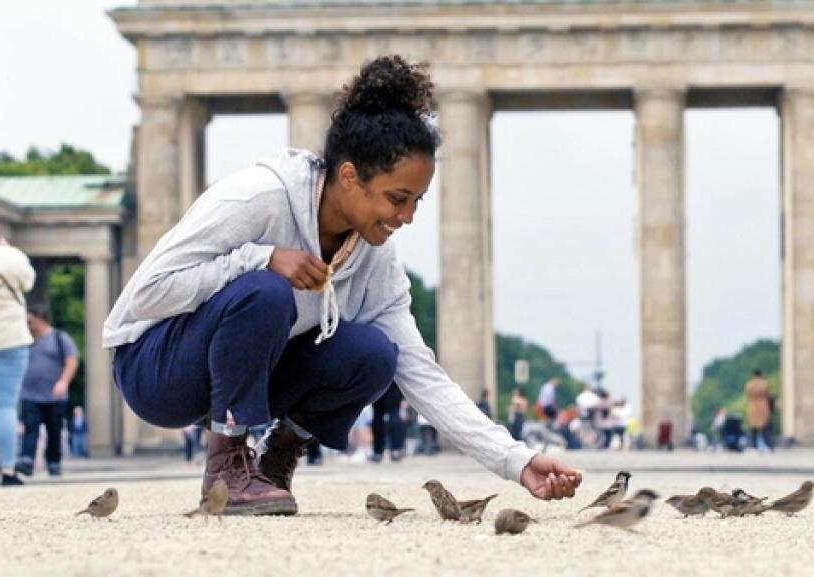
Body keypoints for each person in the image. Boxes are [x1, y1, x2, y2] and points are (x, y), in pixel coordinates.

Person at [102, 57, 581, 514]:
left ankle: (274, 458)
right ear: (350, 176)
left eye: (416, 201)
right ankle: (226, 465)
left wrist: (516, 460)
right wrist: (261, 257)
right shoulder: (258, 197)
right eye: (398, 198)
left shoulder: (375, 258)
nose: (407, 217)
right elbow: (145, 296)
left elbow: (420, 372)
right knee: (265, 292)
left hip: (240, 371)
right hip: (155, 370)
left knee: (375, 353)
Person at [0, 207, 35, 486]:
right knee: (5, 407)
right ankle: (8, 469)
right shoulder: (12, 257)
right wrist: (6, 248)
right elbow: (28, 282)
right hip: (10, 339)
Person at [16, 304, 79, 477]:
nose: (28, 325)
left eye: (31, 321)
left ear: (40, 319)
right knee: (30, 428)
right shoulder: (26, 340)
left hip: (54, 395)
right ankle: (27, 460)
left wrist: (63, 382)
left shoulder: (59, 338)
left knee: (54, 430)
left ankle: (53, 462)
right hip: (29, 394)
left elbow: (72, 360)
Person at [369, 382, 406, 463]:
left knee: (379, 416)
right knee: (393, 414)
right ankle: (395, 451)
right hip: (394, 382)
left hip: (378, 383)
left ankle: (378, 452)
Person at [744, 369, 771, 452]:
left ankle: (754, 446)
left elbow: (747, 394)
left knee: (753, 430)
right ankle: (767, 445)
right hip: (763, 407)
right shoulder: (764, 384)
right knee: (765, 429)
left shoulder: (749, 384)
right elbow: (768, 394)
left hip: (752, 408)